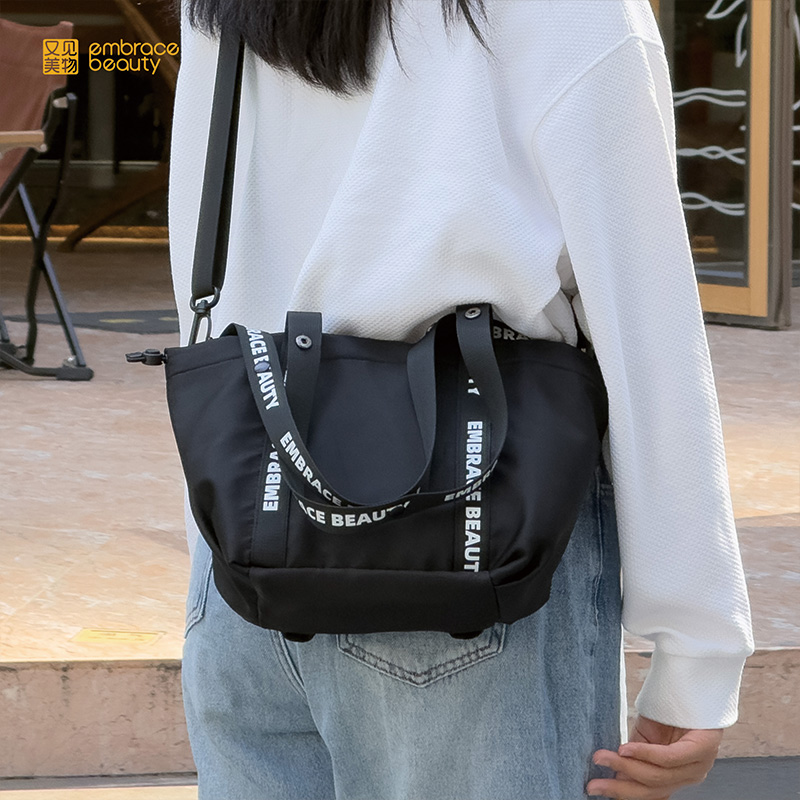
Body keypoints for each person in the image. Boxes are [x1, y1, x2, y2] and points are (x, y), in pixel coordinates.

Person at [167, 1, 755, 798]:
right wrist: (696, 652)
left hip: (247, 566)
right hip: (468, 556)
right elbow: (644, 323)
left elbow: (208, 262)